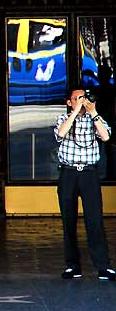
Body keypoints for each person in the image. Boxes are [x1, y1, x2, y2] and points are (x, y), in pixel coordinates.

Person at [54, 86, 115, 281]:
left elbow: (105, 136)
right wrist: (75, 112)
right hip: (68, 173)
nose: (81, 100)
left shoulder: (94, 119)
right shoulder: (63, 119)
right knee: (68, 221)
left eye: (84, 97)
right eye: (77, 98)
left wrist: (93, 112)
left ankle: (103, 266)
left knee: (94, 220)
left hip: (89, 173)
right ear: (68, 102)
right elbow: (61, 134)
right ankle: (73, 266)